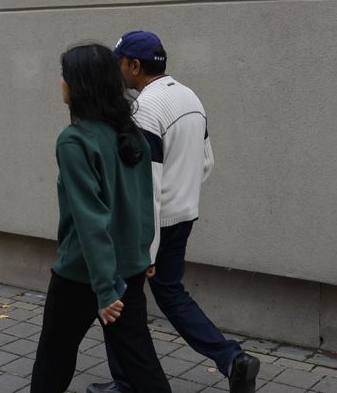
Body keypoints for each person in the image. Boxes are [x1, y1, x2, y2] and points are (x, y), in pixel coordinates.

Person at [88, 31, 260, 393]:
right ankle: (232, 359)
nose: (117, 69)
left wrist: (148, 247)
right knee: (170, 293)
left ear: (134, 66)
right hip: (184, 214)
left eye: (120, 62)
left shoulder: (145, 109)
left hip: (153, 225)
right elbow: (207, 161)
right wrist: (183, 195)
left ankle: (128, 384)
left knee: (119, 302)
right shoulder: (189, 96)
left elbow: (145, 186)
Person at [31, 43, 171, 393]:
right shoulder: (131, 134)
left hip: (83, 273)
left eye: (64, 76)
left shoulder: (74, 142)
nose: (60, 82)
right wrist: (145, 254)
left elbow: (90, 219)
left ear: (80, 85)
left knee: (54, 356)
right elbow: (145, 201)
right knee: (140, 361)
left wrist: (106, 291)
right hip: (129, 267)